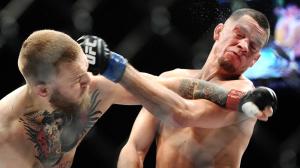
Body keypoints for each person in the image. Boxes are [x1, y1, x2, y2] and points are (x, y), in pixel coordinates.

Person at [0, 27, 275, 167]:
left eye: (86, 71)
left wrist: (238, 99)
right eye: (77, 80)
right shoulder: (3, 129)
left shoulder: (95, 87)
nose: (88, 82)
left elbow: (173, 86)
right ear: (43, 90)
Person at [118, 8, 274, 168]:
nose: (243, 46)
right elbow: (135, 147)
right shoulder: (171, 77)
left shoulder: (245, 94)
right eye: (239, 35)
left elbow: (184, 114)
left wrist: (126, 75)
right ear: (219, 31)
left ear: (254, 60)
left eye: (253, 46)